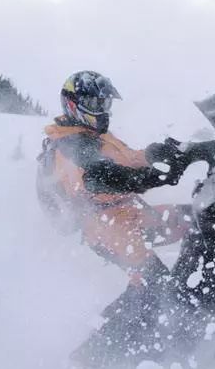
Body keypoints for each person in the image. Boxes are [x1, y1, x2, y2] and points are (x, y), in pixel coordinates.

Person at [37, 71, 195, 297]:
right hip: (105, 226)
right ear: (73, 105)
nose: (102, 110)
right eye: (95, 103)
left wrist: (158, 152)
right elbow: (100, 177)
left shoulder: (97, 136)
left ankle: (209, 281)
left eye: (105, 102)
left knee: (199, 219)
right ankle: (127, 328)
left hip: (132, 212)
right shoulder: (68, 146)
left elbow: (128, 160)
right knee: (156, 282)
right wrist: (154, 176)